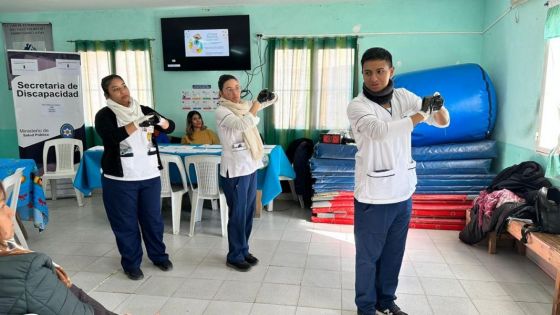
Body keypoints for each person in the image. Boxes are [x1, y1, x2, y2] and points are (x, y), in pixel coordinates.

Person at [347, 47, 450, 315]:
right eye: (368, 72)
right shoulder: (357, 106)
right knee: (368, 258)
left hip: (403, 192)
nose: (374, 78)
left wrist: (437, 107)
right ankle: (366, 307)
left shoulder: (404, 96)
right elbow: (380, 132)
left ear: (391, 71)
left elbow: (442, 122)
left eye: (380, 71)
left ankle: (386, 301)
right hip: (373, 195)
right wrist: (421, 115)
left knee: (394, 253)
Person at [95, 74, 175, 281]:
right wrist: (138, 123)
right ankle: (131, 264)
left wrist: (162, 121)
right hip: (120, 180)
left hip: (149, 176)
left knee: (153, 220)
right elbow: (112, 138)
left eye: (124, 86)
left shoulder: (144, 109)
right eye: (116, 89)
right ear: (107, 94)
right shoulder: (104, 115)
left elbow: (170, 127)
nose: (123, 92)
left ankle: (159, 256)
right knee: (126, 224)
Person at [0, 182, 115, 315]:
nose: (10, 212)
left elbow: (70, 292)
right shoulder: (27, 271)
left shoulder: (13, 256)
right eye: (2, 206)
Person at [214, 74, 264, 272]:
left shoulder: (243, 107)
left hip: (250, 166)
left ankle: (243, 250)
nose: (234, 92)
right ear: (221, 93)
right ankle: (234, 255)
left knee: (248, 212)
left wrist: (265, 99)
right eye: (229, 89)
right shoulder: (221, 111)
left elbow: (256, 110)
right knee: (237, 214)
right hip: (234, 170)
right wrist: (257, 104)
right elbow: (243, 124)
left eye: (237, 87)